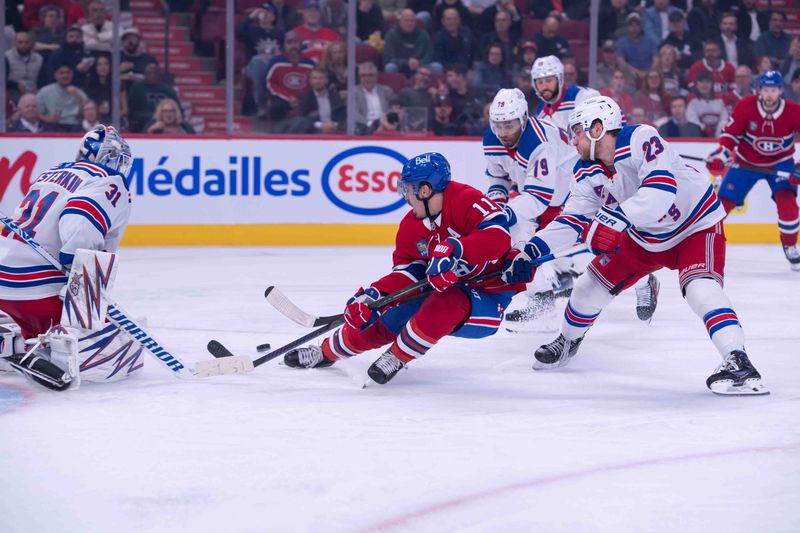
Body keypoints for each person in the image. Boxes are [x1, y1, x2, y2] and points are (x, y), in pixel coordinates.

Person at [504, 96, 768, 396]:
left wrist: (615, 217)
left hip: (695, 226)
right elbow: (571, 220)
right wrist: (533, 252)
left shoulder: (642, 138)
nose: (572, 140)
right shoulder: (584, 171)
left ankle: (738, 361)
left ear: (597, 128)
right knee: (588, 287)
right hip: (643, 235)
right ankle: (567, 341)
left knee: (701, 290)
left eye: (577, 131)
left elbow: (660, 193)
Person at [281, 152, 525, 385]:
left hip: (489, 298)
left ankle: (397, 356)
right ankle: (327, 352)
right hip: (444, 290)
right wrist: (376, 295)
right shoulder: (411, 226)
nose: (406, 197)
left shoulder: (465, 200)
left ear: (425, 190)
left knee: (448, 301)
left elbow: (498, 236)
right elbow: (407, 273)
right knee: (389, 313)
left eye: (408, 190)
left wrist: (455, 249)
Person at [0, 126, 139, 389]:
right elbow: (81, 222)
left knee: (35, 325)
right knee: (118, 340)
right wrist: (77, 274)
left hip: (4, 282)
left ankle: (16, 343)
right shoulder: (110, 179)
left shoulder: (52, 171)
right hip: (37, 288)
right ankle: (53, 347)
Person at [706, 70, 800, 270]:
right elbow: (730, 136)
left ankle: (790, 245)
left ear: (781, 91)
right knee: (721, 206)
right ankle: (706, 245)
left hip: (781, 163)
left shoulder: (793, 111)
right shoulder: (746, 106)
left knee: (787, 202)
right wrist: (720, 156)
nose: (769, 94)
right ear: (759, 91)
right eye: (766, 90)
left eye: (773, 90)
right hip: (746, 162)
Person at [37, 62, 87, 132]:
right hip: (53, 125)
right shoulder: (44, 92)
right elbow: (35, 112)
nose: (65, 75)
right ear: (55, 75)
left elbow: (87, 112)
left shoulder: (79, 92)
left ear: (72, 74)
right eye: (61, 73)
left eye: (68, 73)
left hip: (75, 126)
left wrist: (76, 95)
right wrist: (47, 119)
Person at [383, 8, 435, 76]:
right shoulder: (391, 34)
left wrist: (419, 63)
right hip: (400, 66)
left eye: (412, 21)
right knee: (390, 67)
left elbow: (430, 55)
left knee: (436, 66)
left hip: (420, 67)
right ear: (400, 21)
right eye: (406, 21)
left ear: (416, 22)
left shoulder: (423, 34)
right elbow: (388, 58)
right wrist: (407, 63)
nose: (409, 23)